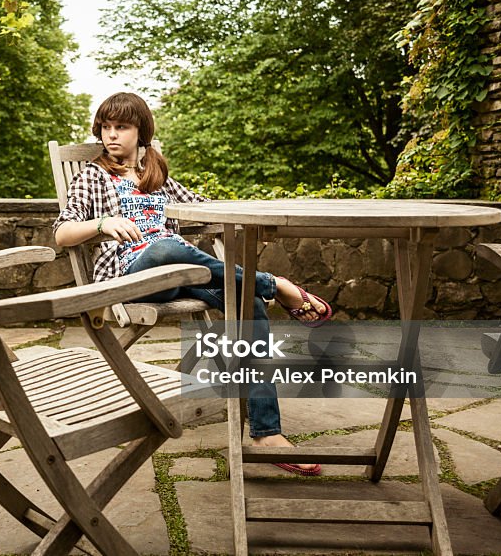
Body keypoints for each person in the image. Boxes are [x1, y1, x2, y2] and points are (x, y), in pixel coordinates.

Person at [53, 92, 332, 475]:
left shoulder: (156, 174)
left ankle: (267, 432)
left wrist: (246, 219)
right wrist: (102, 224)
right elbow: (62, 232)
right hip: (133, 275)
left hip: (183, 272)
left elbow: (202, 207)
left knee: (244, 299)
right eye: (106, 127)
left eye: (122, 127)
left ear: (141, 131)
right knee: (167, 247)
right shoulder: (92, 176)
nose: (111, 135)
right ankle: (274, 284)